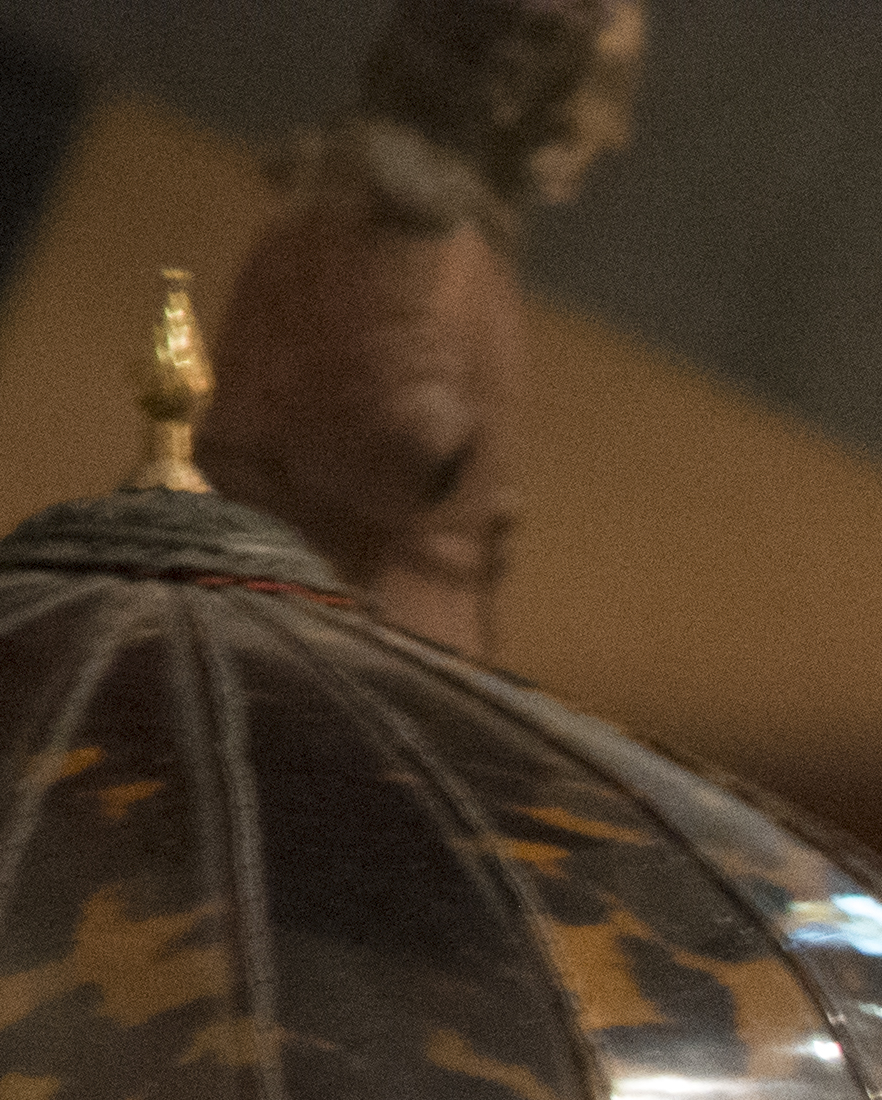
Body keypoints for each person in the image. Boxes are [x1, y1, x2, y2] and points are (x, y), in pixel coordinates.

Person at [201, 0, 649, 656]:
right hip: (318, 645)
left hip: (343, 638)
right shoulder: (407, 223)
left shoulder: (444, 235)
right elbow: (382, 439)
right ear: (511, 87)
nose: (616, 131)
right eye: (604, 88)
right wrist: (463, 477)